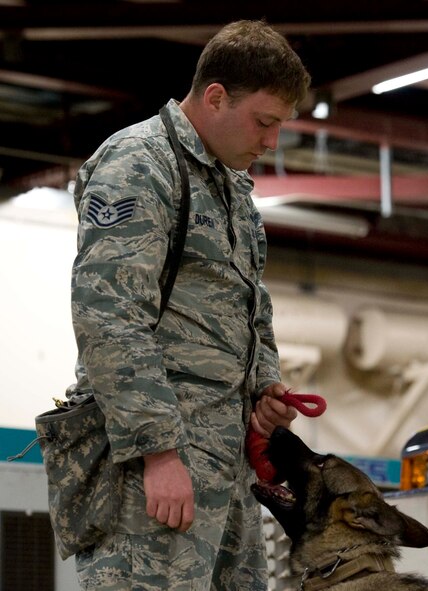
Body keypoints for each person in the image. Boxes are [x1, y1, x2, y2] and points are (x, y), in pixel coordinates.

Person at [68, 19, 311, 590]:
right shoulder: (139, 163)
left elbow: (253, 303)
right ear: (216, 96)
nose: (271, 141)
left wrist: (264, 390)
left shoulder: (230, 187)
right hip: (155, 460)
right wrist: (157, 453)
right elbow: (109, 311)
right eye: (265, 121)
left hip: (225, 460)